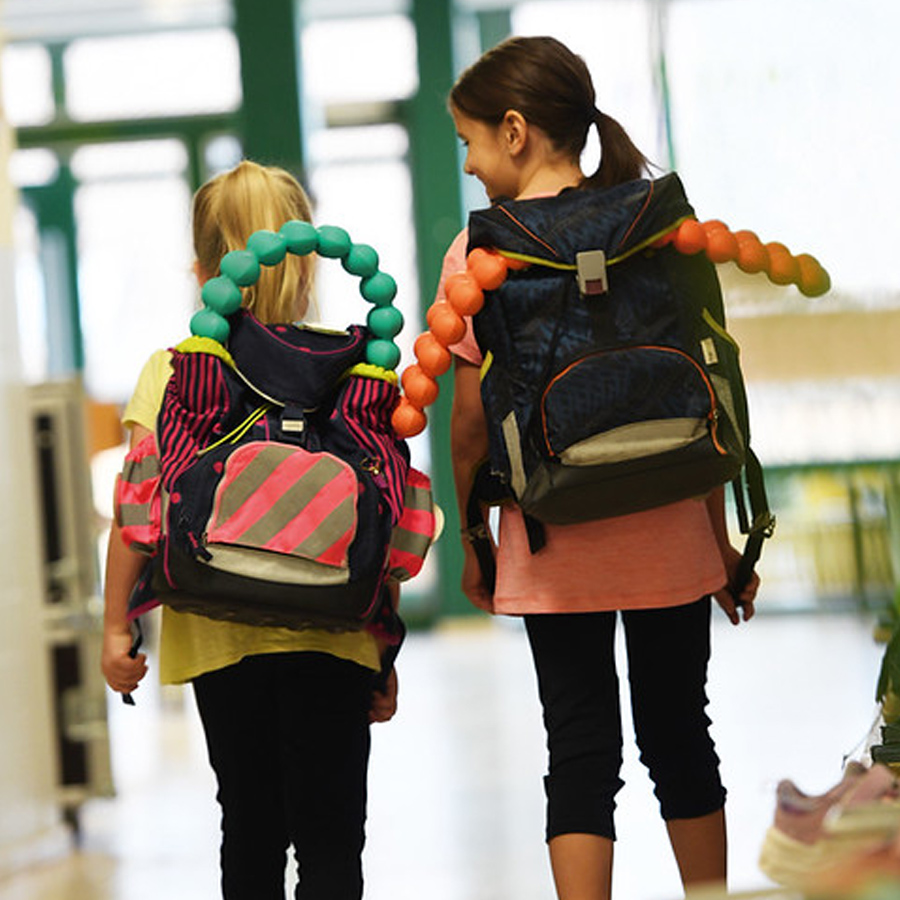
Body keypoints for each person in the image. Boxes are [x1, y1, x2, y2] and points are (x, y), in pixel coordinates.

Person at [440, 36, 760, 900]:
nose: (468, 166)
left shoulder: (484, 255)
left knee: (579, 747)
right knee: (680, 735)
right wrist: (724, 542)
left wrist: (472, 540)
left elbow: (470, 426)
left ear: (514, 132)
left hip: (554, 539)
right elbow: (709, 389)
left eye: (469, 141)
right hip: (671, 529)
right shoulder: (659, 230)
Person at [101, 159, 398, 900]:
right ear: (308, 270)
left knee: (251, 827)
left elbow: (136, 515)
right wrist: (384, 649)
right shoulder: (354, 369)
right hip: (333, 631)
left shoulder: (175, 370)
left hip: (217, 631)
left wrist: (115, 631)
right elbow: (388, 512)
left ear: (202, 268)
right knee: (332, 838)